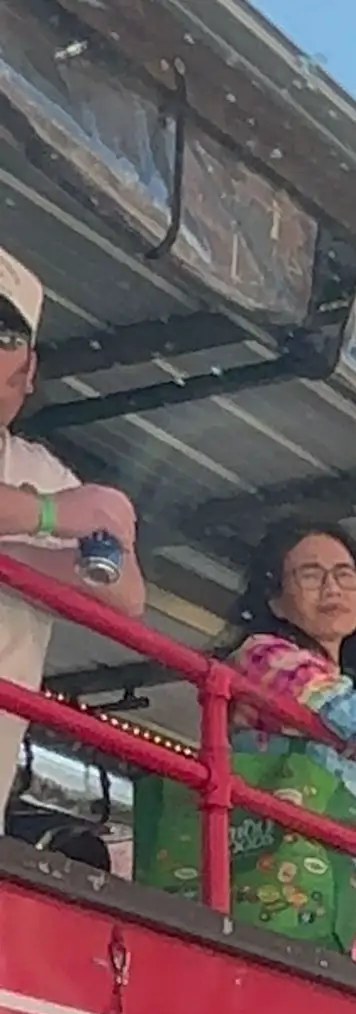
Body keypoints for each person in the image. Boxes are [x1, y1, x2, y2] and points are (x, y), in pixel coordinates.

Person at [132, 522, 356, 969]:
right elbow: (350, 719)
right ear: (276, 599)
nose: (332, 587)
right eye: (311, 575)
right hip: (279, 917)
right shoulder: (262, 656)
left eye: (345, 574)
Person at [0, 244, 145, 830]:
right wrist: (54, 517)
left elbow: (127, 595)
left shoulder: (41, 470)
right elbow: (65, 516)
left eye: (1, 333)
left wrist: (23, 545)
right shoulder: (53, 491)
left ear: (29, 368)